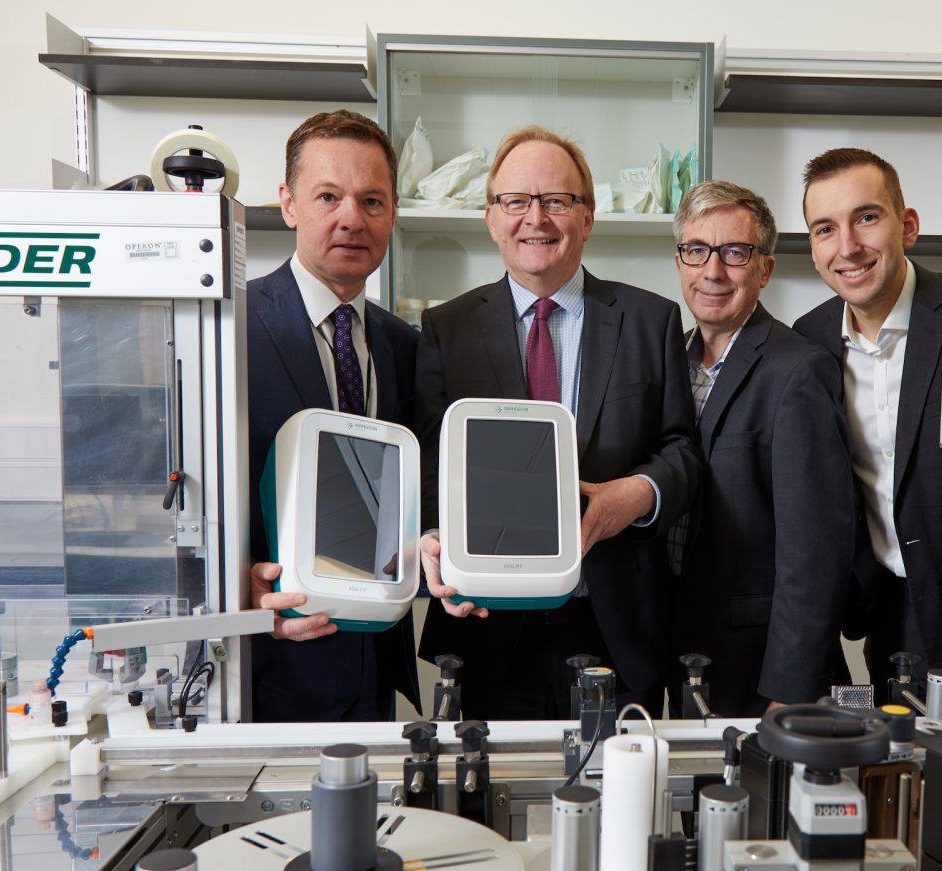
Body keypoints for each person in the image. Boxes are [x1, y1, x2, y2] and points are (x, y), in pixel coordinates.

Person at [414, 125, 700, 720]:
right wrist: (434, 537)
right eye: (515, 201)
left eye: (557, 201)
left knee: (625, 806)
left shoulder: (651, 321)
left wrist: (637, 493)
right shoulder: (448, 328)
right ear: (491, 218)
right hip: (487, 622)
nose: (535, 218)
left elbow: (682, 448)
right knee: (478, 804)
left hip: (615, 624)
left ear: (588, 216)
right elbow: (428, 463)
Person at [793, 148, 942, 693]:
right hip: (890, 617)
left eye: (866, 217)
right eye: (824, 229)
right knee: (900, 772)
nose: (848, 247)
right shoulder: (809, 340)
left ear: (908, 226)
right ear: (813, 250)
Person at [245, 110, 420, 721]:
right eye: (328, 196)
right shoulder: (230, 327)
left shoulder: (406, 345)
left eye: (372, 200)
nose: (352, 218)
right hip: (270, 665)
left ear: (393, 212)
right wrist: (230, 588)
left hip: (376, 668)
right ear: (288, 204)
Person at [668, 180, 855, 716]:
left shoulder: (798, 369)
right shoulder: (671, 363)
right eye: (696, 250)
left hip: (759, 659)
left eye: (735, 253)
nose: (712, 271)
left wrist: (790, 689)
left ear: (764, 269)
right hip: (682, 643)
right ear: (680, 261)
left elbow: (815, 550)